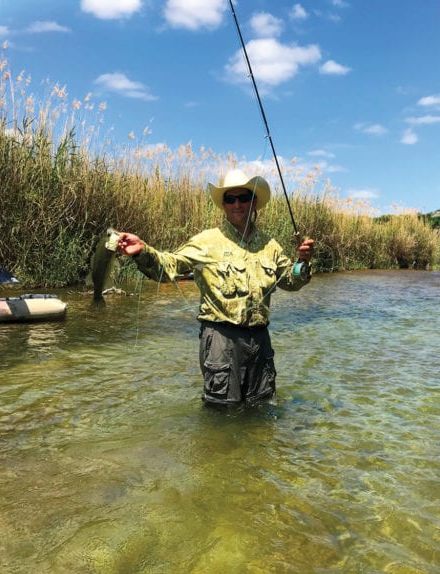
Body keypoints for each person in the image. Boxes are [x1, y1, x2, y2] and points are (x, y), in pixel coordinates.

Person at [116, 169, 315, 406]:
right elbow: (169, 267)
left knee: (261, 409)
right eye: (231, 199)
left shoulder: (270, 245)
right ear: (223, 204)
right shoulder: (206, 241)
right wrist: (143, 250)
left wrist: (302, 263)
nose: (238, 204)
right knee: (221, 413)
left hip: (261, 341)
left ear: (254, 204)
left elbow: (290, 282)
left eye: (244, 198)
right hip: (221, 339)